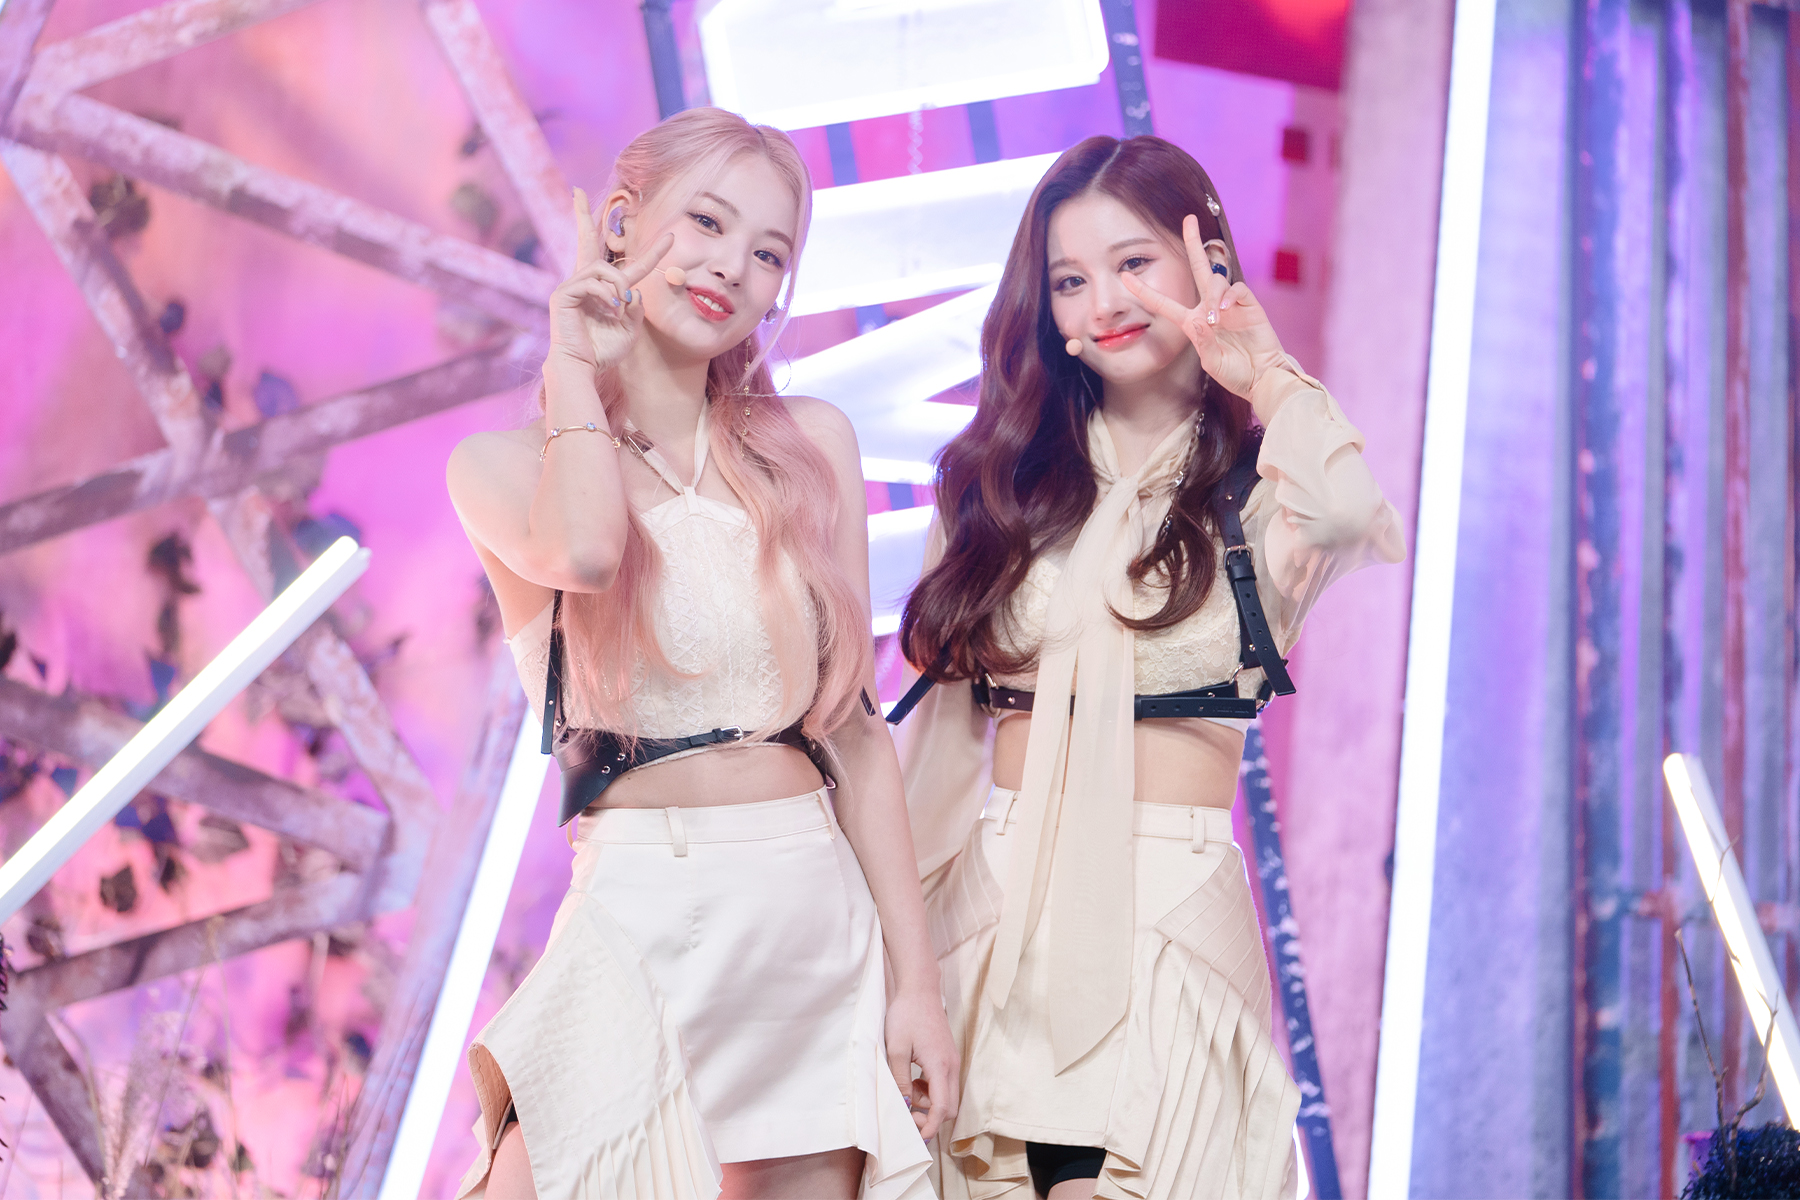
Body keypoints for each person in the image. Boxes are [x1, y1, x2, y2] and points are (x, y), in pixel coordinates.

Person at [445, 106, 956, 1200]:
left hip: (807, 911)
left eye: (769, 253)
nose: (732, 267)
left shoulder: (812, 446)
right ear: (620, 224)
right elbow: (586, 552)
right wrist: (573, 367)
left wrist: (916, 985)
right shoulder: (501, 465)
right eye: (709, 223)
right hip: (637, 901)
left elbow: (855, 734)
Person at [893, 135, 1405, 1199]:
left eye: (1134, 263)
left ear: (1204, 259)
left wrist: (1263, 371)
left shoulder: (1265, 482)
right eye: (1070, 281)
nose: (1106, 303)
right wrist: (901, 970)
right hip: (996, 906)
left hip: (1171, 905)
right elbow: (938, 755)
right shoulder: (995, 487)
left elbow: (1350, 515)